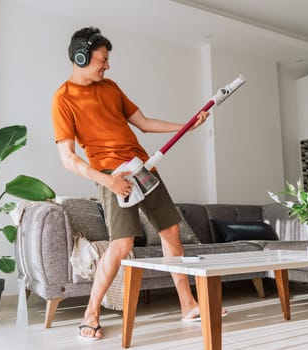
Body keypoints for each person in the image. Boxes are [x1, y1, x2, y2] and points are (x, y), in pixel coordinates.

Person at [51, 26, 214, 340]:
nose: (107, 66)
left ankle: (188, 305)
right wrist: (108, 182)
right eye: (102, 60)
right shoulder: (63, 99)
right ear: (81, 57)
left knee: (171, 231)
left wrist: (186, 126)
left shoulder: (111, 87)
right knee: (122, 244)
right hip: (113, 174)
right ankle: (91, 313)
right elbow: (68, 158)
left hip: (143, 167)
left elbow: (143, 122)